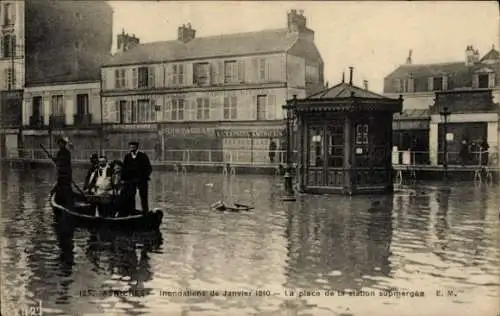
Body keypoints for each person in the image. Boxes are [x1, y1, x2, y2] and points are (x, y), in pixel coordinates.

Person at [122, 141, 152, 212]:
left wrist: (144, 176)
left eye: (133, 147)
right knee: (131, 196)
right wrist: (124, 179)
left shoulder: (143, 156)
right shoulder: (127, 156)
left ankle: (145, 212)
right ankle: (132, 211)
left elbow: (148, 168)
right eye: (130, 147)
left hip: (142, 180)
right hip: (131, 180)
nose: (131, 148)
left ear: (136, 147)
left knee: (143, 196)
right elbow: (124, 169)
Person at [53, 136, 73, 208]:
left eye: (62, 144)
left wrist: (58, 161)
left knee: (67, 186)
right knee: (60, 185)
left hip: (66, 172)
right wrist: (55, 160)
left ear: (64, 144)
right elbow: (58, 161)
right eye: (59, 144)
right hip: (61, 172)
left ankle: (69, 201)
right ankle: (62, 199)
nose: (60, 145)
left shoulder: (67, 152)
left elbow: (64, 161)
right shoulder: (59, 152)